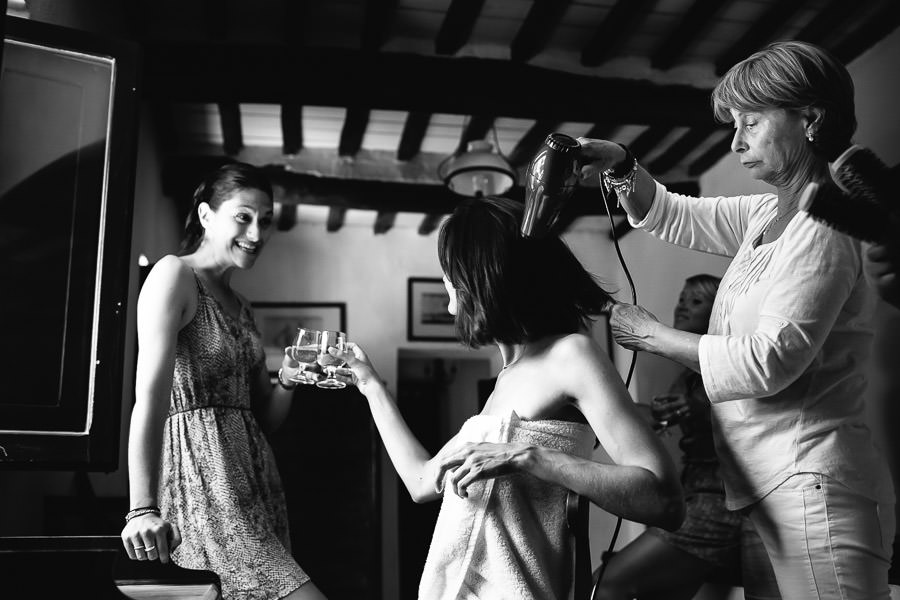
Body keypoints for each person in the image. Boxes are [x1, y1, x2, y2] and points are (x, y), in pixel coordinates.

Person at [577, 40, 895, 598]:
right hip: (760, 486)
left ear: (811, 119)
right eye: (734, 124)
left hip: (811, 485)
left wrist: (653, 336)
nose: (736, 140)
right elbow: (672, 214)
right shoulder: (769, 212)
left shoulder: (826, 221)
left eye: (751, 121)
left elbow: (768, 361)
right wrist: (623, 165)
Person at [317, 194, 684, 600]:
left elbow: (664, 501)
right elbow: (422, 481)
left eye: (450, 269)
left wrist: (530, 457)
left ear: (480, 276)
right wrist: (370, 384)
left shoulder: (571, 355)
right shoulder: (505, 379)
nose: (445, 280)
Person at [119, 162, 327, 600]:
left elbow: (264, 417)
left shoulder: (243, 306)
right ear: (206, 215)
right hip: (203, 488)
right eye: (243, 216)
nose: (257, 233)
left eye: (265, 221)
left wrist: (287, 378)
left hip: (256, 487)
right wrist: (140, 509)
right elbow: (149, 401)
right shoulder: (173, 275)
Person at [592, 275, 780, 600]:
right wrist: (591, 405)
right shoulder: (685, 376)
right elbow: (656, 417)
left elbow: (753, 417)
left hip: (720, 503)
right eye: (683, 298)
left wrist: (696, 407)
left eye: (697, 302)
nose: (683, 306)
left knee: (605, 584)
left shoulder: (730, 364)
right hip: (691, 496)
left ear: (717, 312)